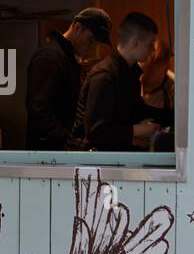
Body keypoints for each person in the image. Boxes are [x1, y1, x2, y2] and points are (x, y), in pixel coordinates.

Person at [73, 11, 173, 152]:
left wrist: (179, 117)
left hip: (115, 154)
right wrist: (136, 130)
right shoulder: (105, 75)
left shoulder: (130, 72)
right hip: (93, 161)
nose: (152, 50)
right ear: (135, 42)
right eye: (150, 44)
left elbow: (138, 110)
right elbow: (96, 131)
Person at [23, 8, 111, 150]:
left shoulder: (69, 59)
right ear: (77, 27)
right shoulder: (50, 57)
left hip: (60, 151)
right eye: (90, 41)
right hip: (47, 154)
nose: (92, 48)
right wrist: (68, 141)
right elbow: (38, 110)